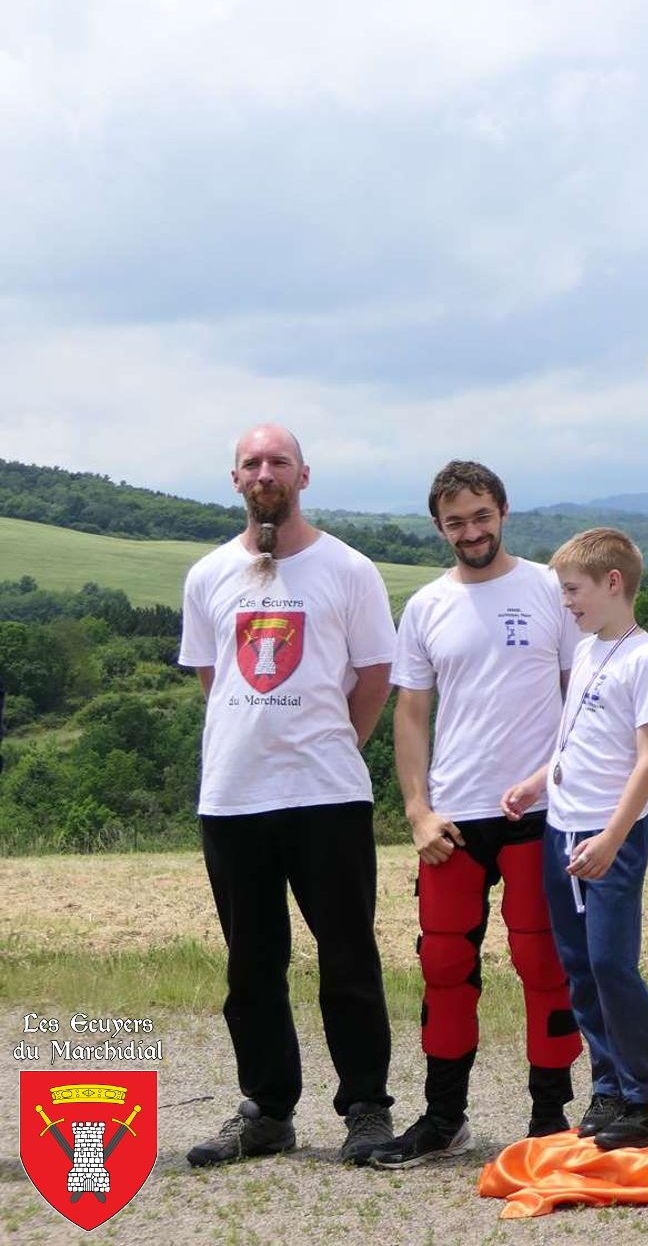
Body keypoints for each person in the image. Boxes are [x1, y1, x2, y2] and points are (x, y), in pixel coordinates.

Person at [178, 424, 399, 1168]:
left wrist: (332, 743)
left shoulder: (349, 569)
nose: (265, 471)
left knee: (347, 956)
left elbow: (374, 678)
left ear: (305, 474)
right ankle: (268, 1110)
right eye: (252, 462)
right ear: (234, 478)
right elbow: (216, 682)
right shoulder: (208, 574)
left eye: (278, 461)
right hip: (234, 796)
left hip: (328, 795)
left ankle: (366, 1107)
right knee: (251, 964)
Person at [368, 461, 584, 1169]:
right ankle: (442, 1118)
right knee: (445, 965)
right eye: (455, 521)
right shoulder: (426, 603)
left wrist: (562, 781)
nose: (471, 532)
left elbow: (580, 694)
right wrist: (416, 811)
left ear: (503, 511)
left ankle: (551, 1115)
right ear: (440, 526)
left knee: (542, 961)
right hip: (453, 818)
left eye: (481, 516)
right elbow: (409, 712)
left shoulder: (550, 587)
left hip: (538, 809)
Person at [500, 528, 648, 1151]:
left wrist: (611, 838)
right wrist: (537, 782)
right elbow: (575, 738)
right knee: (577, 964)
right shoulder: (590, 647)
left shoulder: (643, 658)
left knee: (610, 963)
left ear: (612, 583)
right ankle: (607, 1087)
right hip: (561, 827)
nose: (566, 603)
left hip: (608, 834)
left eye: (573, 591)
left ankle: (644, 1097)